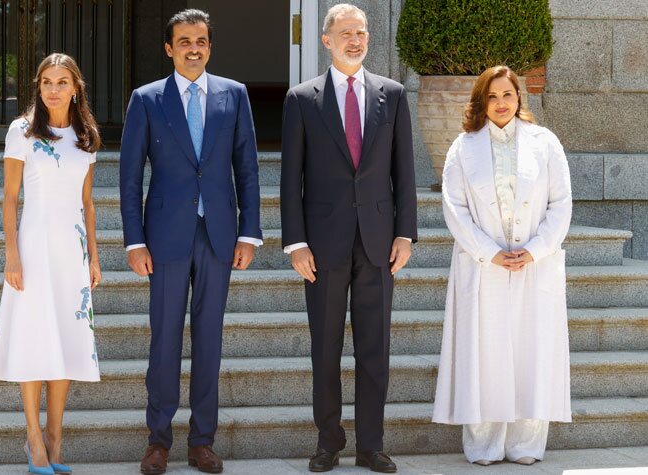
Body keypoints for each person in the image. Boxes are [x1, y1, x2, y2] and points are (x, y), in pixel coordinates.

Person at [119, 9, 262, 475]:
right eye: (184, 41)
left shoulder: (234, 95)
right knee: (164, 340)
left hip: (219, 235)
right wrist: (134, 242)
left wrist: (249, 231)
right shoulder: (146, 99)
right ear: (169, 48)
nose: (193, 48)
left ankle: (202, 441)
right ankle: (158, 441)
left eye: (200, 40)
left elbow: (247, 169)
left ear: (209, 46)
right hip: (164, 238)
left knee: (210, 340)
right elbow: (128, 178)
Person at [280, 4, 417, 473]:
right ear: (326, 40)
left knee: (375, 347)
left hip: (379, 241)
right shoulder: (302, 98)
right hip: (321, 245)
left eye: (361, 32)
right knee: (325, 347)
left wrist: (405, 233)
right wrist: (295, 242)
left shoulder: (393, 94)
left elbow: (405, 171)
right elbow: (291, 177)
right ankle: (328, 442)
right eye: (345, 33)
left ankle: (371, 444)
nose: (355, 40)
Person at [432, 65, 572, 466]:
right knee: (485, 353)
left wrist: (537, 249)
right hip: (484, 265)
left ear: (519, 98)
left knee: (532, 351)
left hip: (534, 264)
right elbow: (454, 207)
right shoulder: (464, 146)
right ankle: (485, 444)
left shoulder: (545, 143)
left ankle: (527, 444)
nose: (500, 104)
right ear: (481, 101)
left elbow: (561, 202)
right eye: (491, 96)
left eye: (507, 95)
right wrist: (487, 251)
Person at [0, 53, 102, 475]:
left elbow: (87, 202)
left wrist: (93, 255)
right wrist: (12, 254)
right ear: (38, 87)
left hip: (71, 253)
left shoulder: (86, 134)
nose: (53, 89)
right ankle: (34, 439)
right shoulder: (21, 131)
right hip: (33, 248)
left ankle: (56, 436)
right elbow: (9, 196)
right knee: (34, 338)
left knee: (67, 339)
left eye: (62, 81)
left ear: (76, 88)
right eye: (46, 82)